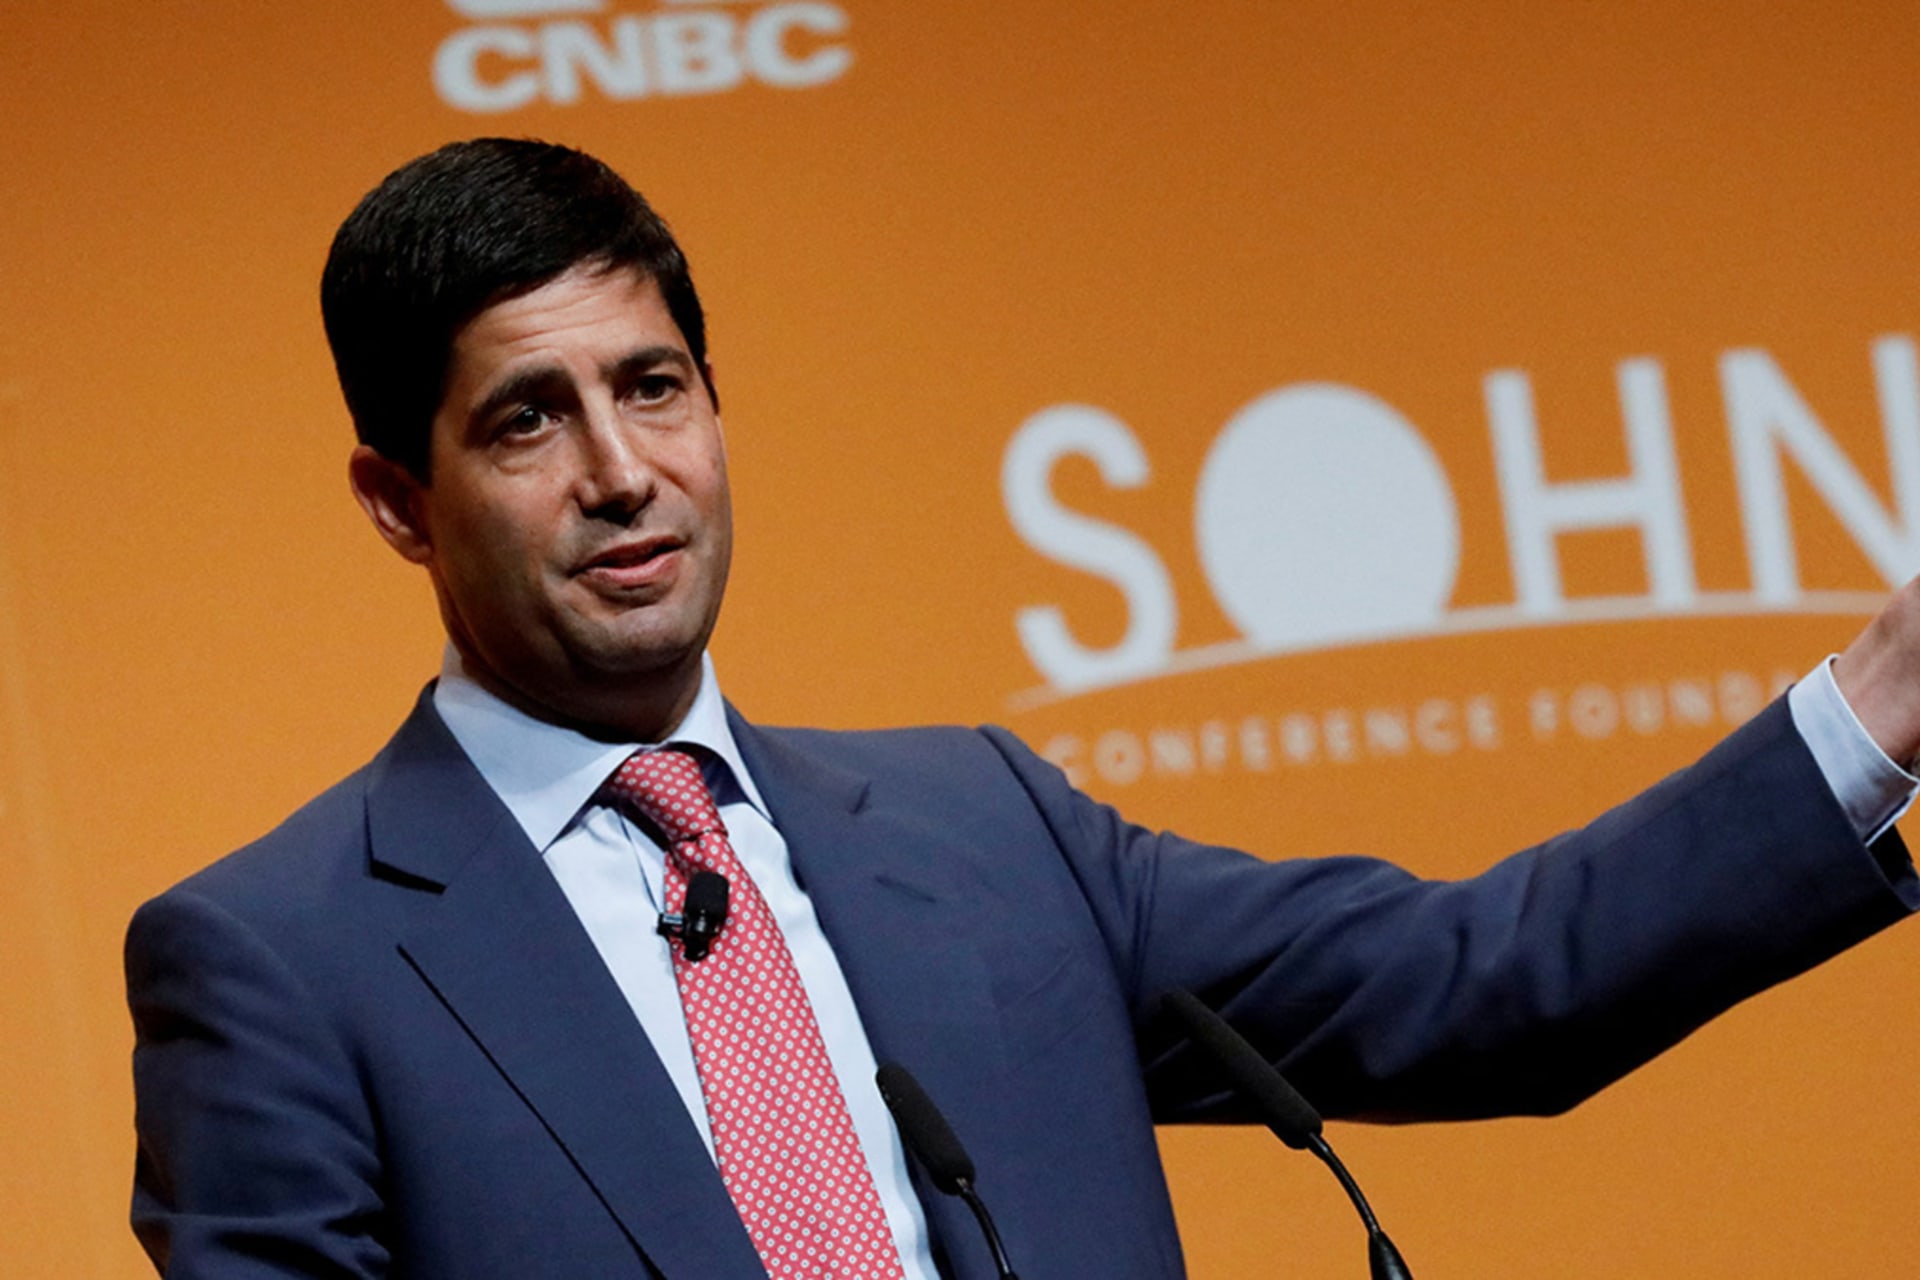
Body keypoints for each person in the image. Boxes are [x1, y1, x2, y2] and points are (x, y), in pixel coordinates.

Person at [125, 137, 1920, 1280]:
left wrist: (1883, 701)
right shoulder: (284, 960)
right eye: (528, 419)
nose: (622, 473)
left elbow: (1483, 984)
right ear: (397, 499)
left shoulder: (988, 831)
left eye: (655, 387)